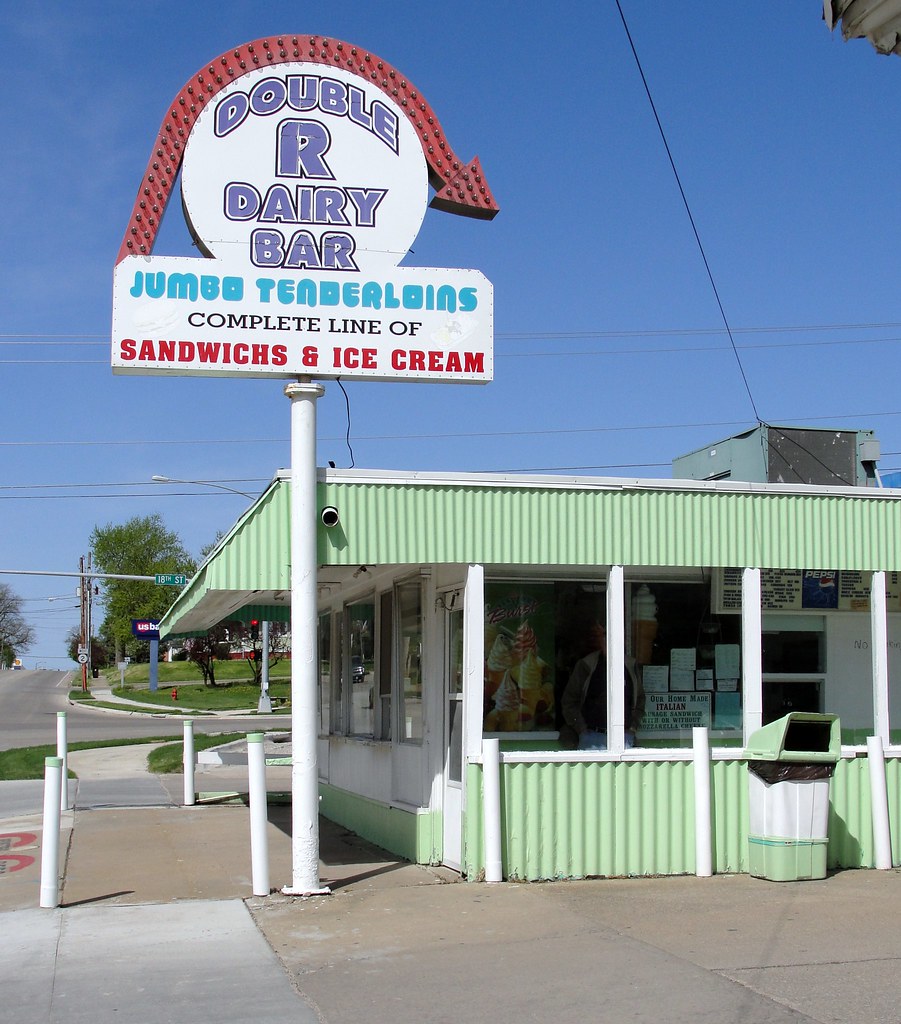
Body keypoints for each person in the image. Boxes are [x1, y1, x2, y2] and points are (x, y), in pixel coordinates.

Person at [560, 626, 644, 750]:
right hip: (591, 738)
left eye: (615, 637)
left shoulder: (631, 666)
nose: (610, 641)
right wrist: (582, 730)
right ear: (600, 641)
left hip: (624, 738)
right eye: (605, 637)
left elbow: (640, 700)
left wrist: (632, 729)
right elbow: (569, 701)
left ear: (623, 641)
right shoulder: (586, 665)